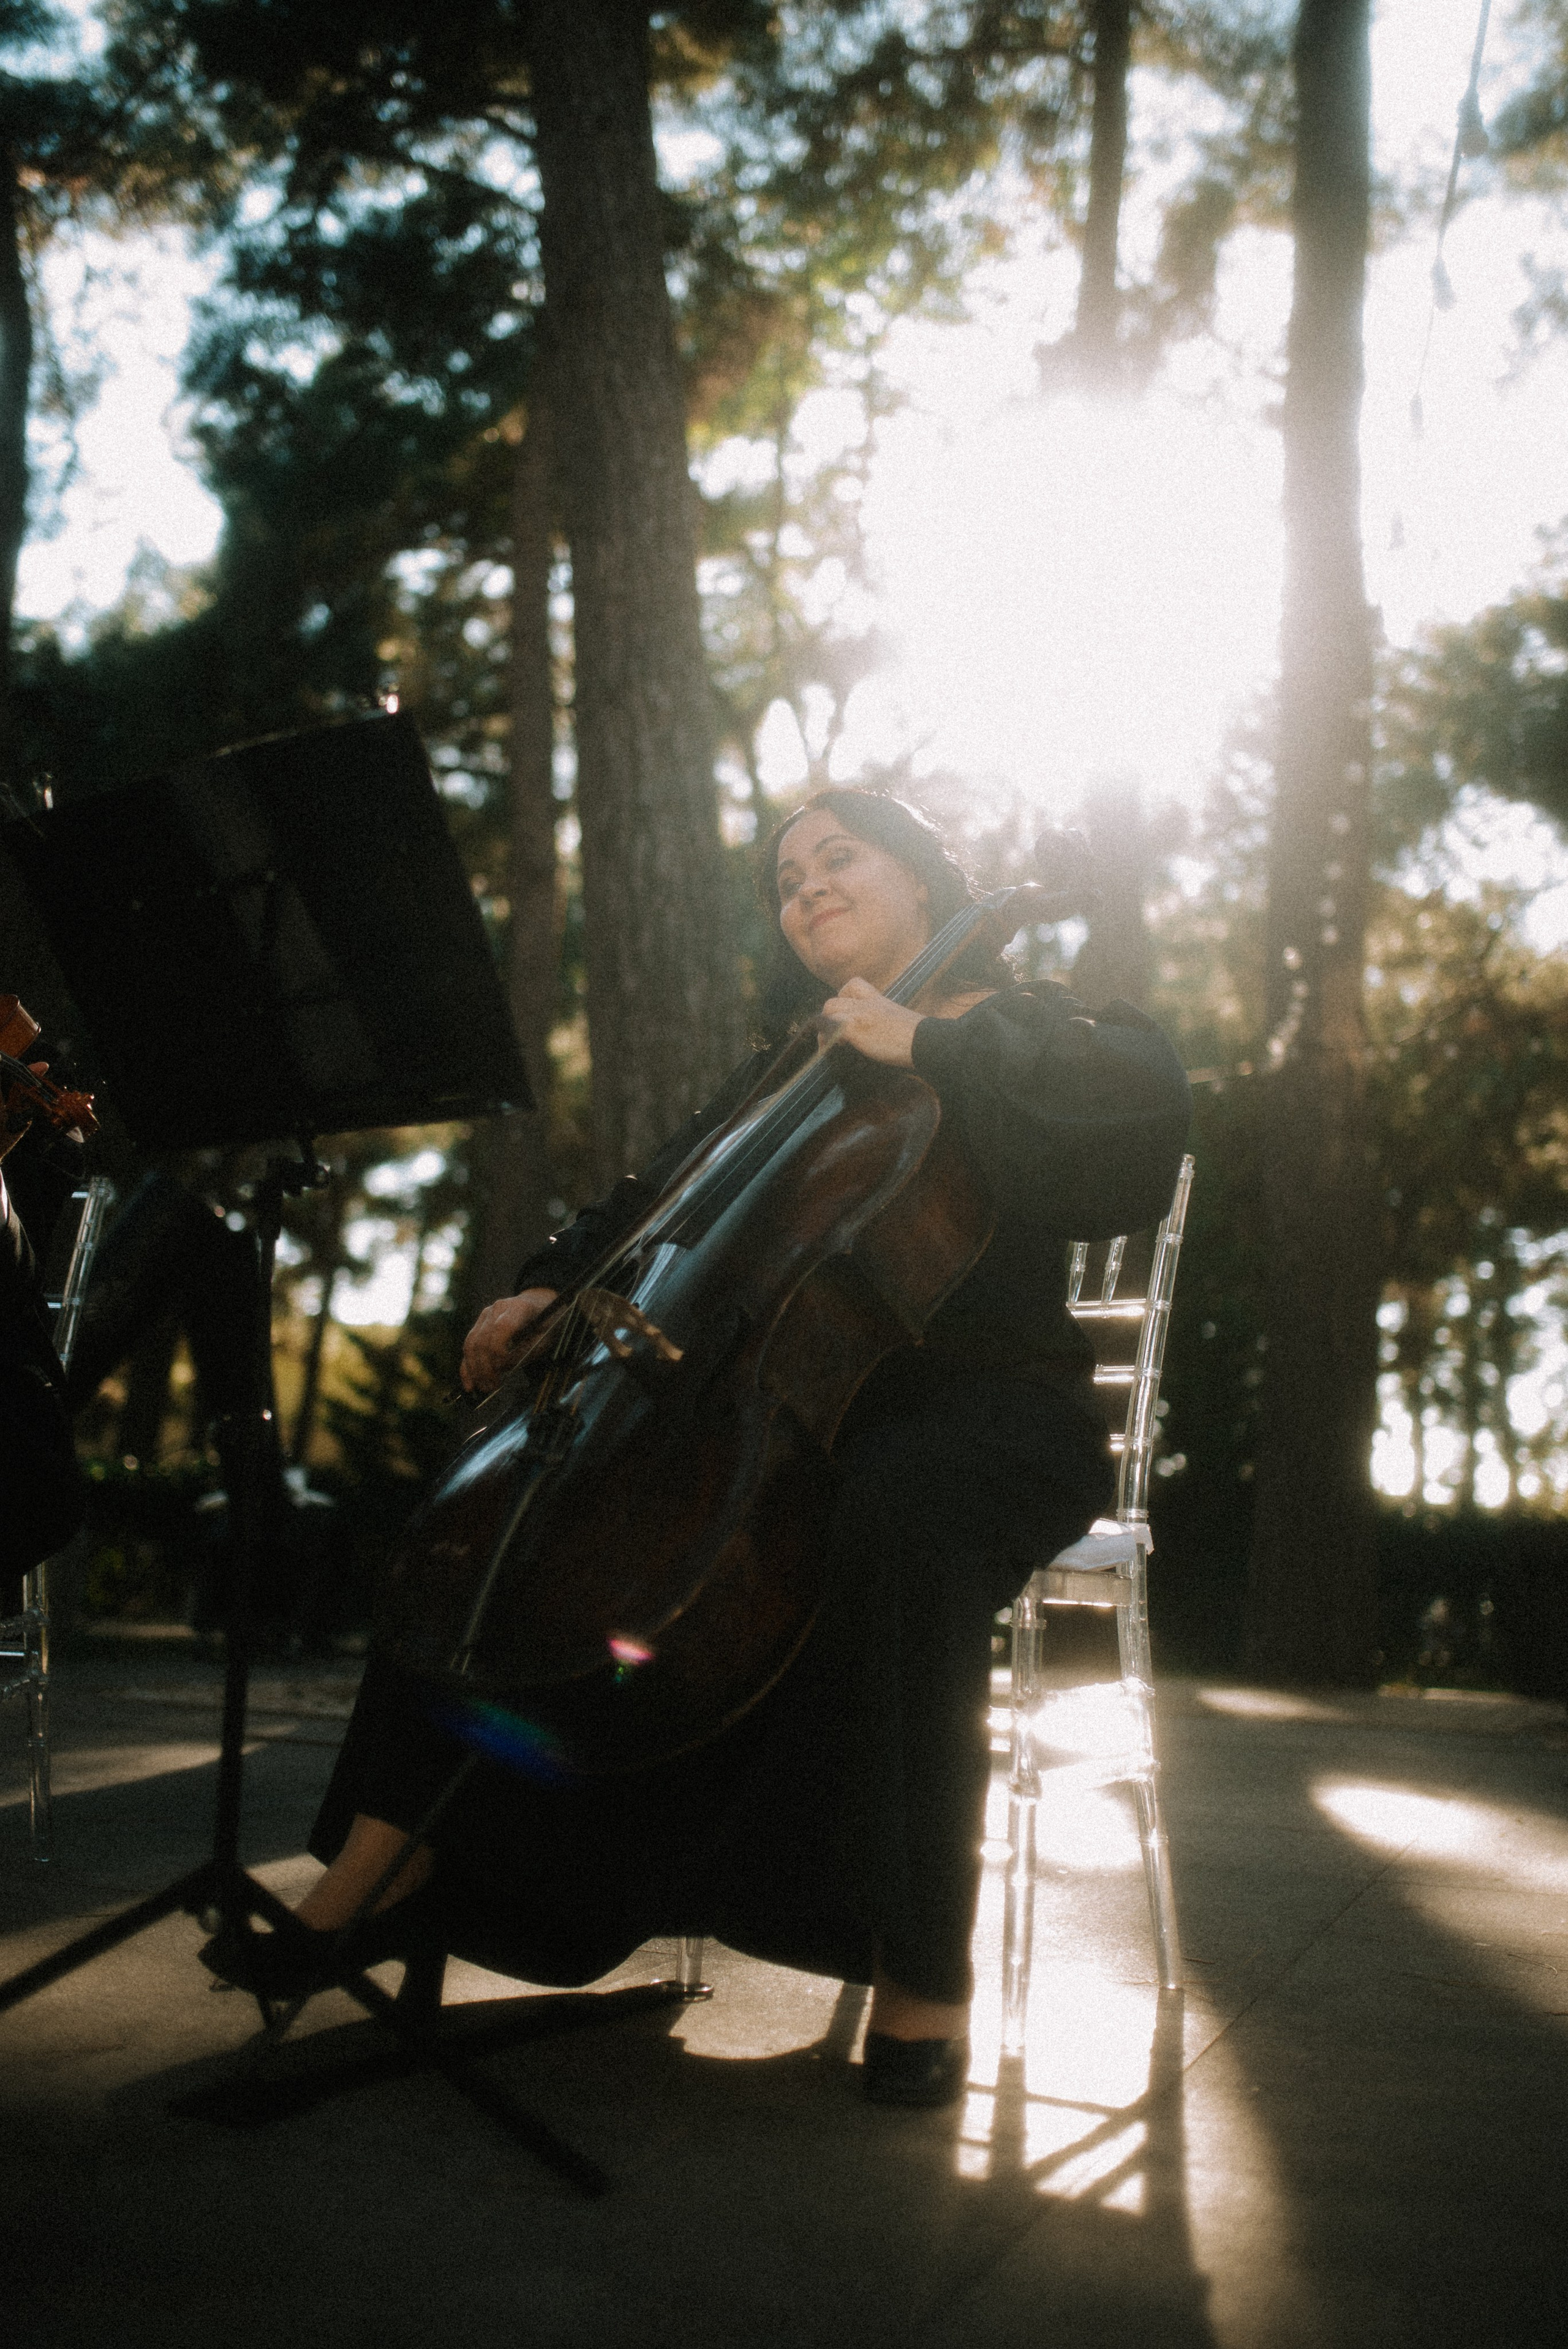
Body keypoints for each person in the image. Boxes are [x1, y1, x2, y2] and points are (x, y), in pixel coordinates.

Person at [201, 789, 1191, 2106]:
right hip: (773, 1397)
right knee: (515, 1499)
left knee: (893, 1509)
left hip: (984, 1409)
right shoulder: (789, 1067)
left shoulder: (1023, 1023)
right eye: (786, 878)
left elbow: (1134, 1133)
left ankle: (920, 1972)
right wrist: (548, 1282)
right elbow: (648, 1203)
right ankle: (380, 1866)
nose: (807, 886)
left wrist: (924, 1042)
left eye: (838, 856)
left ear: (923, 877)